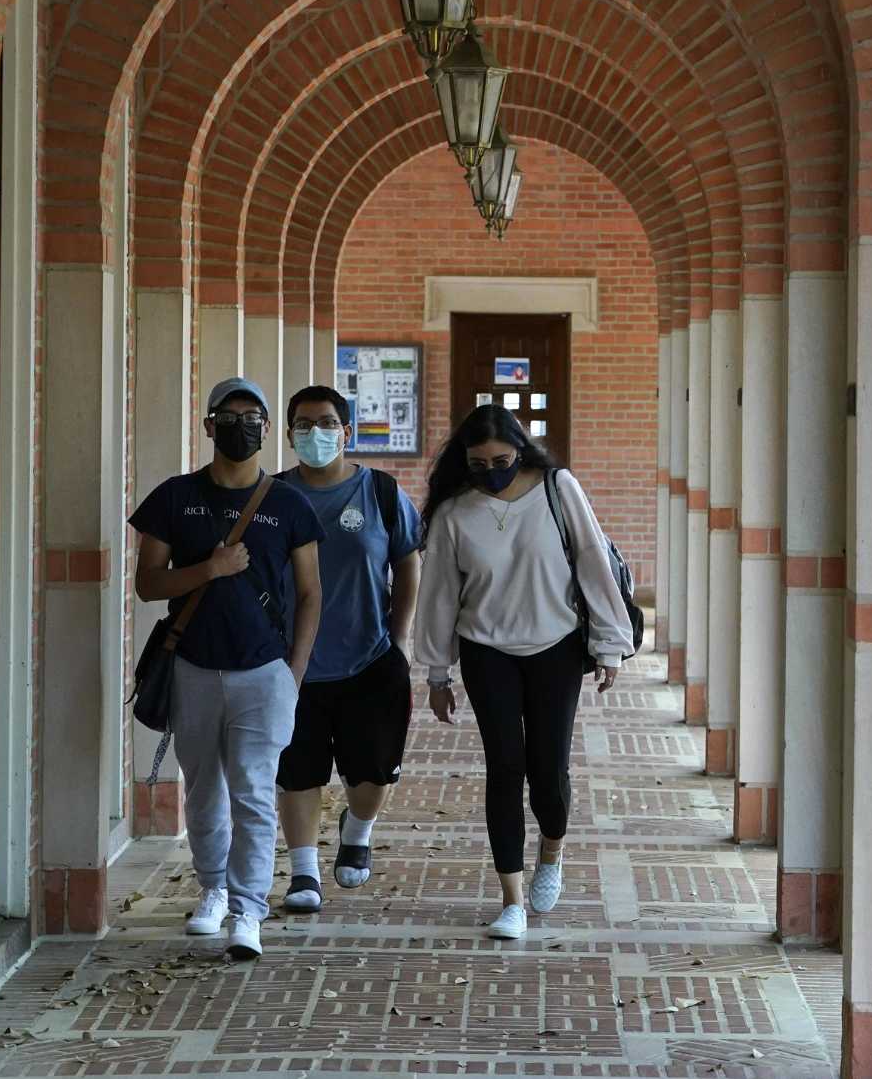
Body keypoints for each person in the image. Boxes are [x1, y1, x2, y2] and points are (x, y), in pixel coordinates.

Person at [413, 404, 635, 940]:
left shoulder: (558, 490)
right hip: (486, 650)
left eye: (502, 459)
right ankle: (510, 899)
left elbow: (593, 564)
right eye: (478, 462)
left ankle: (552, 850)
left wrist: (609, 644)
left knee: (548, 769)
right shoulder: (453, 512)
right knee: (504, 767)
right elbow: (440, 593)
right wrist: (437, 673)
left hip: (555, 646)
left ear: (521, 450)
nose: (492, 470)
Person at [129, 376, 322, 962]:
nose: (242, 426)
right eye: (230, 416)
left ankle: (249, 909)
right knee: (205, 789)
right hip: (192, 664)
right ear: (209, 426)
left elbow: (312, 594)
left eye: (253, 417)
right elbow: (147, 584)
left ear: (268, 429)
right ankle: (212, 888)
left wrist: (295, 672)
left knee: (255, 792)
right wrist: (208, 570)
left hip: (264, 672)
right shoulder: (174, 497)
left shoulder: (288, 503)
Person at [272, 384, 422, 913]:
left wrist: (399, 639)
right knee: (298, 770)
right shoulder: (271, 496)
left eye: (327, 423)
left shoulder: (379, 492)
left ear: (347, 432)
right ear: (289, 434)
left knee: (373, 773)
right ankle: (304, 872)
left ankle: (357, 828)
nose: (317, 433)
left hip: (370, 658)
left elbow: (407, 560)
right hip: (292, 665)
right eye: (305, 424)